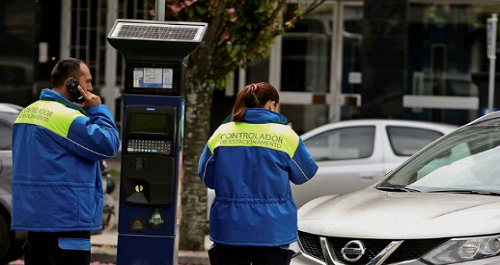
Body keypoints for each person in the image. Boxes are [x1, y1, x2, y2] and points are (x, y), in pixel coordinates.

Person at [11, 58, 120, 265]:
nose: (91, 88)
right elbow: (109, 144)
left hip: (35, 222)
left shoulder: (27, 113)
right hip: (67, 218)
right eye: (87, 82)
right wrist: (98, 109)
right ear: (72, 82)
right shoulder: (67, 117)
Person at [198, 82, 318, 265]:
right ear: (272, 104)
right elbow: (305, 174)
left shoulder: (222, 133)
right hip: (273, 230)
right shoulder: (285, 135)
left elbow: (206, 176)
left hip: (229, 228)